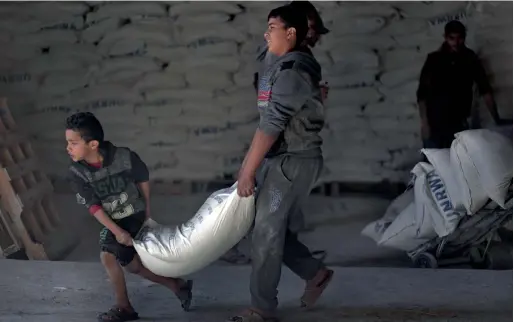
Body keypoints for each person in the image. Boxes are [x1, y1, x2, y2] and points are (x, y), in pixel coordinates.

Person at [228, 5, 333, 322]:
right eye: (268, 26)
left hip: (293, 161)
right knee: (265, 227)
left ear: (291, 33)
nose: (266, 33)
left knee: (265, 233)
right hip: (283, 157)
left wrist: (248, 169)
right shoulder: (275, 56)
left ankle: (262, 309)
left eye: (272, 27)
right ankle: (314, 273)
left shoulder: (294, 72)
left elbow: (270, 126)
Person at [65, 112, 193, 322]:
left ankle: (124, 307)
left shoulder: (123, 157)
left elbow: (142, 178)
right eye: (67, 143)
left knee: (108, 254)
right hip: (114, 220)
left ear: (93, 144)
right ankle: (177, 286)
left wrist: (148, 211)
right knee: (131, 265)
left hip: (134, 213)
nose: (68, 148)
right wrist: (118, 232)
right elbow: (94, 207)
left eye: (73, 143)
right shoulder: (77, 172)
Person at [417, 20, 505, 149]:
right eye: (452, 38)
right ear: (445, 37)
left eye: (460, 38)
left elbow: (485, 90)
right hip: (435, 122)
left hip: (458, 122)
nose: (456, 43)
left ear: (464, 37)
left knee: (459, 164)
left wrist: (496, 118)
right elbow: (422, 94)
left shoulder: (470, 59)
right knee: (433, 165)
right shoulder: (434, 60)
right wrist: (425, 123)